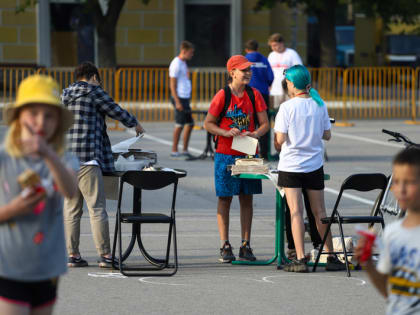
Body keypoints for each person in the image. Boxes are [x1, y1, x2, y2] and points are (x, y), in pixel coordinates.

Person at [0, 75, 78, 315]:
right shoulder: (4, 157)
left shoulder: (63, 157)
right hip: (8, 267)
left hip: (48, 268)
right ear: (19, 116)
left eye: (49, 115)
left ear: (58, 121)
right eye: (32, 112)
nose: (40, 121)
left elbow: (70, 190)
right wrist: (14, 209)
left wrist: (48, 154)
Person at [62, 61, 144, 268]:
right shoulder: (94, 92)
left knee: (72, 209)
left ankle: (72, 255)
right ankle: (106, 256)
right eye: (98, 81)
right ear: (94, 77)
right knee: (97, 208)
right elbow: (115, 110)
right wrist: (134, 123)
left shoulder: (64, 95)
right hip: (88, 158)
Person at [274, 65, 345, 272]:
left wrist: (279, 143)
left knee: (296, 212)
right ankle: (330, 256)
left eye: (287, 82)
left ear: (292, 84)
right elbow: (327, 135)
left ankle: (300, 257)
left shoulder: (286, 108)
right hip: (314, 165)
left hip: (291, 165)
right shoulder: (319, 105)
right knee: (319, 212)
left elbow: (280, 140)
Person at [204, 55, 269, 263]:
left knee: (247, 197)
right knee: (225, 197)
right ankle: (224, 244)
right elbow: (208, 123)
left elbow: (265, 123)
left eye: (249, 70)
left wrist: (256, 134)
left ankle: (245, 244)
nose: (248, 73)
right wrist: (224, 132)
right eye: (244, 70)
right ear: (232, 73)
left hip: (248, 152)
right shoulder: (222, 95)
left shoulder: (254, 94)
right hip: (226, 153)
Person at [355, 147, 420, 315]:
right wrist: (368, 264)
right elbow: (389, 290)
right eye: (396, 182)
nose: (401, 189)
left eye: (410, 182)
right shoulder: (392, 232)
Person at [245, 39, 274, 160]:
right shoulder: (264, 59)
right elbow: (271, 77)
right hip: (263, 94)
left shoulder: (244, 59)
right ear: (257, 48)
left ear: (246, 49)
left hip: (248, 94)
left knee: (248, 124)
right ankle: (265, 153)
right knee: (264, 124)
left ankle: (249, 154)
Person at [169, 40, 195, 159]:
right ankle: (174, 149)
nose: (192, 55)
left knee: (190, 124)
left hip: (185, 97)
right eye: (190, 53)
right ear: (184, 51)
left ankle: (184, 149)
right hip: (179, 97)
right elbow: (172, 84)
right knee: (179, 124)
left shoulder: (183, 63)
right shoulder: (176, 63)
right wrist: (177, 101)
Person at [267, 33, 302, 110]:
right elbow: (268, 72)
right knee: (275, 111)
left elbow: (299, 69)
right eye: (272, 46)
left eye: (275, 45)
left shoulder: (292, 53)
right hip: (274, 90)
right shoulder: (271, 55)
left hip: (288, 89)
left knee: (289, 109)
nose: (273, 48)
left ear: (282, 43)